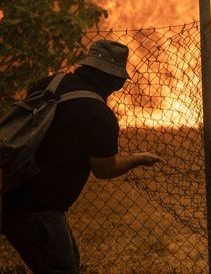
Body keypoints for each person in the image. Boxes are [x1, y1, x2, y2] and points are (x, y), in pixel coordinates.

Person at [1, 39, 163, 273]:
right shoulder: (99, 115)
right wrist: (139, 158)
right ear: (114, 80)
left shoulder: (47, 84)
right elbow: (105, 169)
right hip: (36, 209)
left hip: (9, 188)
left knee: (68, 261)